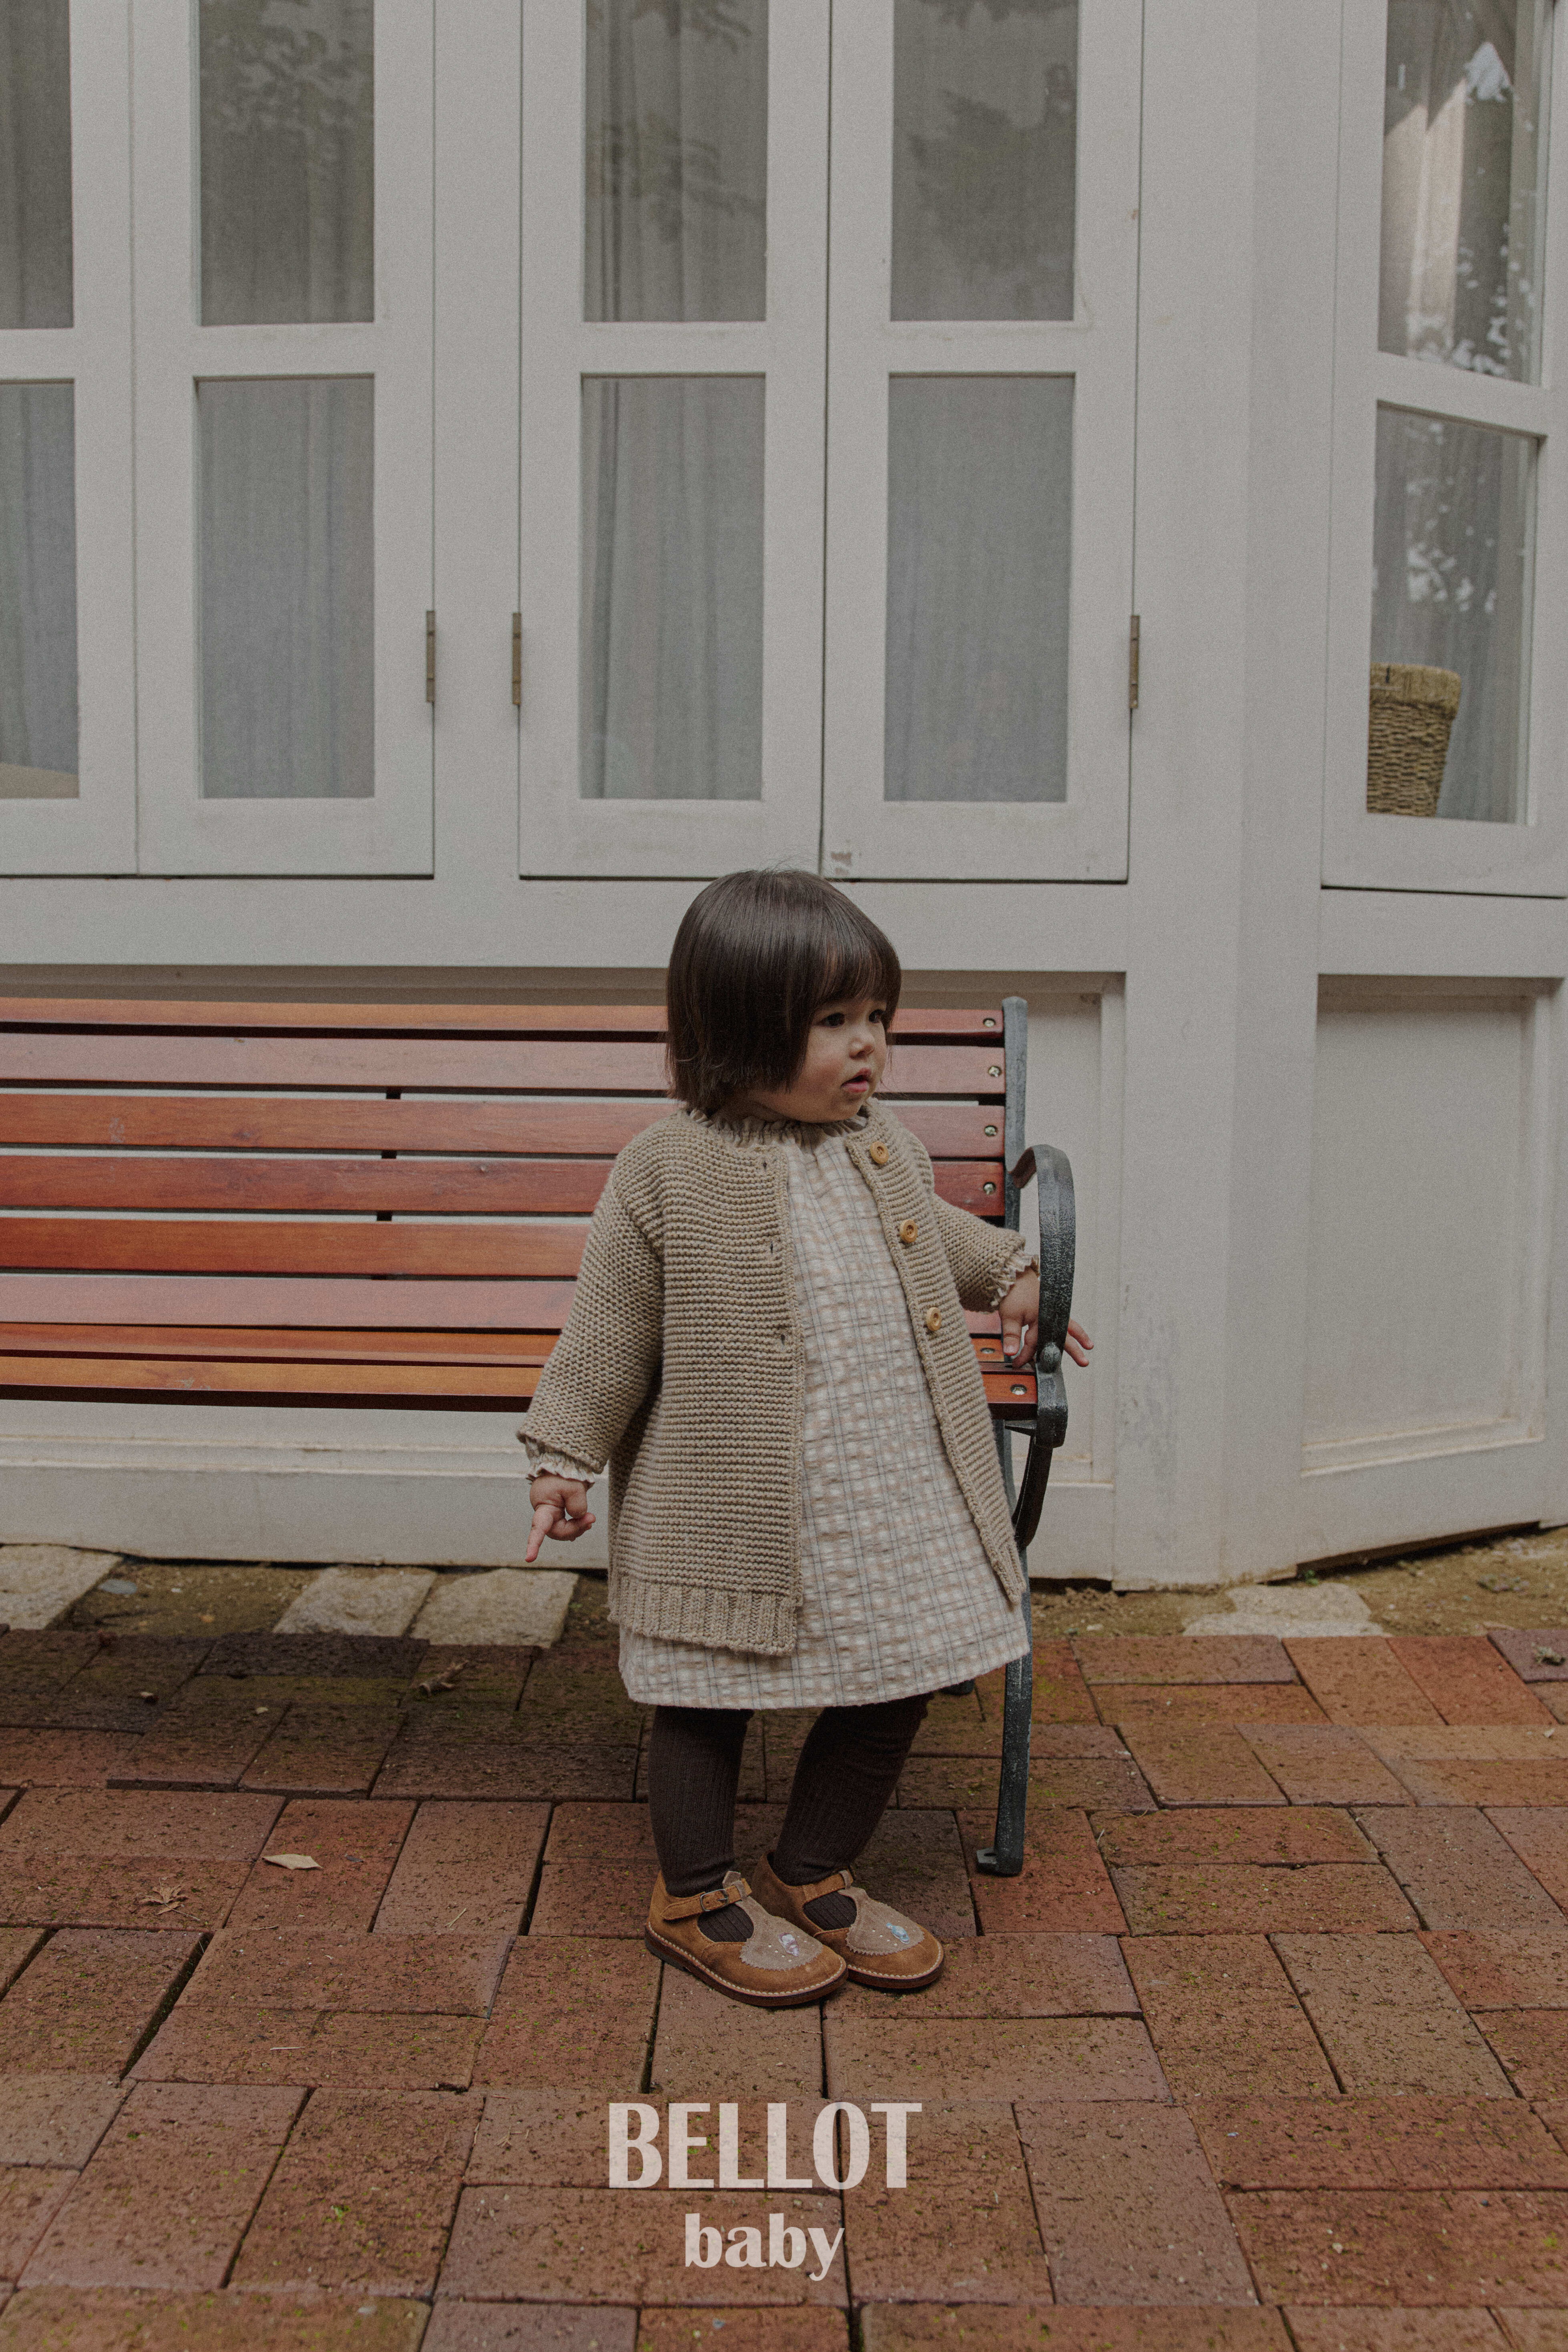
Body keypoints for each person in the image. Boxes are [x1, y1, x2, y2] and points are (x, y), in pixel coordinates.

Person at [520, 869, 1092, 2007]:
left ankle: (812, 1866)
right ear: (739, 1031)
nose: (868, 1043)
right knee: (705, 1687)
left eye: (877, 1015)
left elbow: (939, 1236)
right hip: (733, 1511)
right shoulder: (666, 1169)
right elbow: (607, 1327)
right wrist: (563, 1458)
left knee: (901, 1675)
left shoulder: (884, 1147)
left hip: (887, 1496)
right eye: (833, 1021)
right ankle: (694, 1894)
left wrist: (1014, 1272)